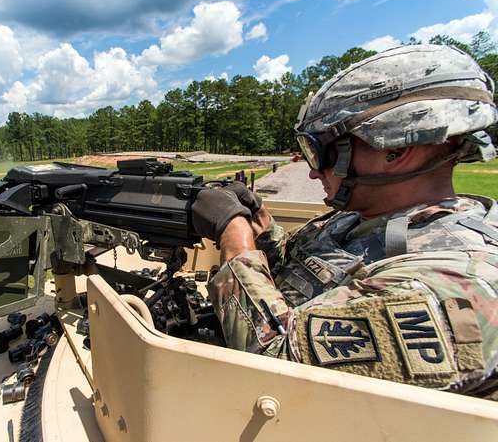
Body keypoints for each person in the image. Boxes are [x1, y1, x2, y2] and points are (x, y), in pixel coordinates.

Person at [192, 44, 498, 399]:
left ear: (394, 150)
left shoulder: (455, 286)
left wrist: (236, 240)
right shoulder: (362, 220)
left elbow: (275, 368)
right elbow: (309, 271)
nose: (311, 171)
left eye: (320, 151)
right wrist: (260, 228)